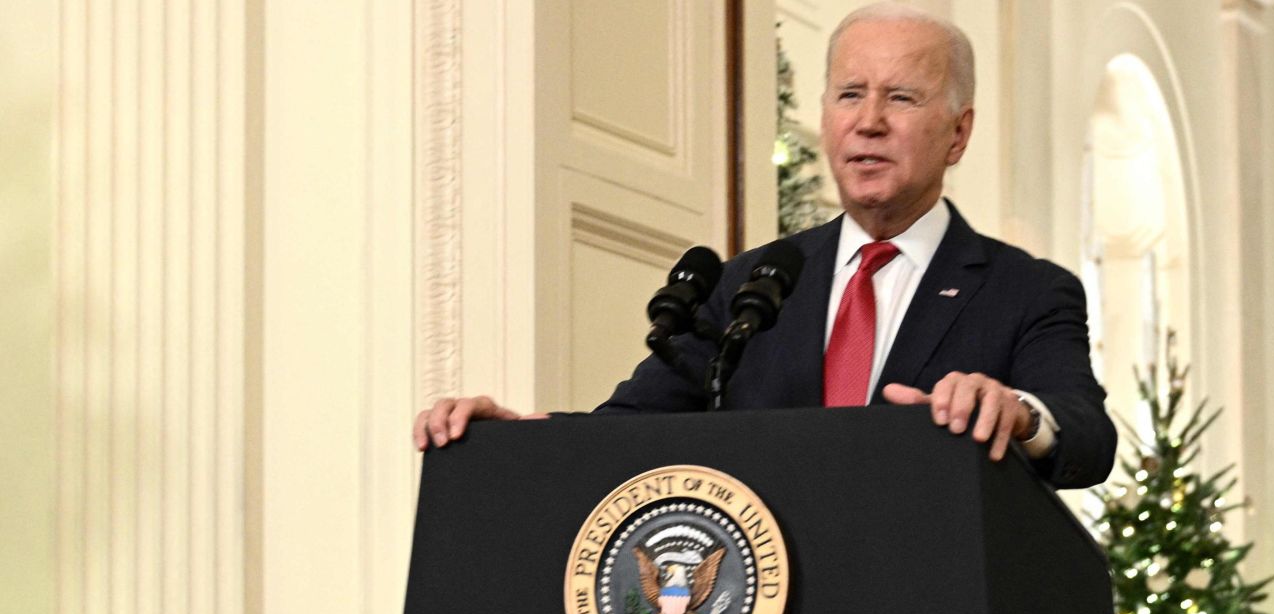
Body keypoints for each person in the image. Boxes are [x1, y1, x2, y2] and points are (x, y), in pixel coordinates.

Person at [415, 3, 1116, 489]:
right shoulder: (755, 282)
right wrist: (515, 435)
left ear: (958, 132)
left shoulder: (1026, 290)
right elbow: (633, 427)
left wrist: (1018, 413)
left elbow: (1086, 435)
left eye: (900, 98)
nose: (868, 122)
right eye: (849, 95)